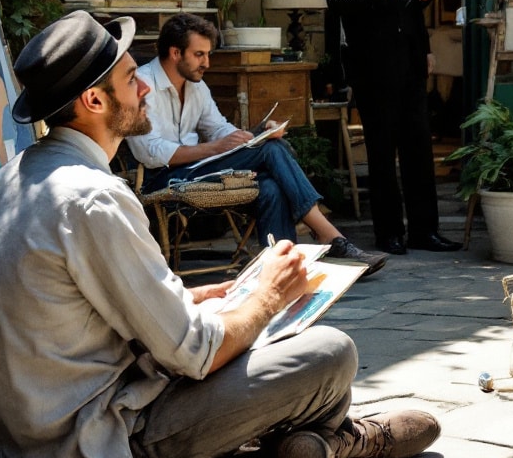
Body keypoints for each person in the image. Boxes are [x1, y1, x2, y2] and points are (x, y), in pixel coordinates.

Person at [0, 11, 439, 458]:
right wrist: (267, 296)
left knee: (252, 321)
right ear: (94, 100)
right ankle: (334, 441)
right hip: (97, 445)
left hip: (24, 447)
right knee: (330, 352)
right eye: (132, 79)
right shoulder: (94, 198)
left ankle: (304, 442)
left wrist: (188, 299)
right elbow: (194, 354)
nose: (145, 88)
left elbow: (69, 313)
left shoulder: (9, 181)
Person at [126, 14, 386, 276]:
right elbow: (151, 153)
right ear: (175, 53)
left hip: (197, 170)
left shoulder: (196, 87)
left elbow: (219, 128)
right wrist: (219, 147)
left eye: (207, 54)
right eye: (199, 54)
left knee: (270, 184)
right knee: (272, 152)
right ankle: (330, 237)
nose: (207, 62)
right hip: (161, 179)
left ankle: (283, 268)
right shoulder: (142, 85)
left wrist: (254, 134)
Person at [324, 0, 458, 254]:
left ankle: (425, 230)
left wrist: (420, 1)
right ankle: (388, 233)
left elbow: (407, 3)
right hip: (371, 61)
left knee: (419, 147)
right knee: (381, 150)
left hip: (409, 57)